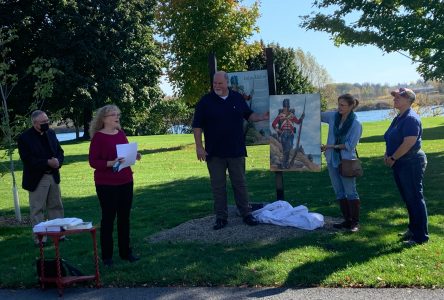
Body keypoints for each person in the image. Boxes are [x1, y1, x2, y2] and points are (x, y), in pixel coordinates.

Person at [192, 71, 269, 230]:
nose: (217, 86)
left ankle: (246, 214)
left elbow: (249, 115)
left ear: (227, 83)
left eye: (220, 83)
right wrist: (199, 147)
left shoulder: (237, 98)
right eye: (215, 83)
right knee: (218, 186)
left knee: (240, 184)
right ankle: (221, 217)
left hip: (236, 150)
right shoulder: (205, 102)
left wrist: (261, 117)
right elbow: (197, 126)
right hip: (214, 153)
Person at [88, 104, 141, 266]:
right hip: (106, 184)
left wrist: (134, 155)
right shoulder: (98, 137)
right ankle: (107, 256)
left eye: (118, 114)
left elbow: (125, 154)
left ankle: (126, 253)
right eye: (113, 115)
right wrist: (111, 163)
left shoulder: (121, 134)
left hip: (125, 180)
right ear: (104, 119)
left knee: (124, 218)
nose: (117, 117)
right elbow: (93, 161)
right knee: (108, 218)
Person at [383, 88, 428, 246]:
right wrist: (387, 154)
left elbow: (409, 142)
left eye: (398, 97)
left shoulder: (410, 118)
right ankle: (413, 228)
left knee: (415, 198)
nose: (395, 99)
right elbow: (390, 137)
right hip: (400, 162)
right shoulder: (399, 117)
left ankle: (420, 236)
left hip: (411, 162)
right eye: (394, 97)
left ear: (409, 100)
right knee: (408, 198)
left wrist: (394, 157)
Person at [18, 110, 65, 245]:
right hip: (38, 177)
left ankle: (58, 235)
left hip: (53, 176)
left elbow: (59, 151)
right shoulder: (25, 138)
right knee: (37, 209)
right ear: (34, 123)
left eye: (47, 121)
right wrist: (46, 162)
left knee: (56, 206)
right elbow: (27, 159)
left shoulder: (51, 133)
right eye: (43, 122)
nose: (46, 124)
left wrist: (58, 162)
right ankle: (40, 239)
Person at [321, 94, 362, 232]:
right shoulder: (333, 117)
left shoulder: (356, 124)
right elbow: (318, 115)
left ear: (351, 106)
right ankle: (347, 220)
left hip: (346, 161)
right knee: (339, 191)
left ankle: (355, 223)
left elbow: (350, 145)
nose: (339, 108)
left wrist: (331, 146)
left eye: (343, 105)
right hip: (332, 159)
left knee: (350, 192)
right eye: (338, 104)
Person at [272, 98, 304, 169]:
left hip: (290, 134)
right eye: (285, 107)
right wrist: (278, 131)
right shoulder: (280, 116)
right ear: (283, 107)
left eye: (287, 107)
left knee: (288, 149)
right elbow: (273, 124)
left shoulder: (292, 115)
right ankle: (284, 164)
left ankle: (285, 164)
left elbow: (298, 122)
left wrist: (301, 117)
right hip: (283, 134)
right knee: (285, 150)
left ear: (288, 107)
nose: (286, 108)